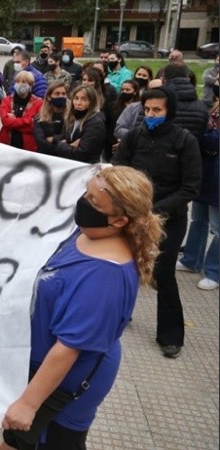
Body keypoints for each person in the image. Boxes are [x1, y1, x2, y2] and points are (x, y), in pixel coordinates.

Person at [0, 166, 164, 450]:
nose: (84, 203)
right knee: (21, 437)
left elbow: (68, 349)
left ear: (120, 220)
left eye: (94, 202)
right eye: (86, 194)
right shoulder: (89, 231)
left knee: (58, 442)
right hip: (41, 362)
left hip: (69, 379)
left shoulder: (105, 277)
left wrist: (28, 403)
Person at [112, 87, 202, 359]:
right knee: (124, 268)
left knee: (163, 275)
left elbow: (191, 188)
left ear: (169, 112)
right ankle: (117, 317)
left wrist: (155, 210)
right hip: (133, 214)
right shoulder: (134, 136)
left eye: (157, 111)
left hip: (167, 220)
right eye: (147, 110)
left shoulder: (184, 141)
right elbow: (118, 167)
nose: (150, 115)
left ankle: (171, 336)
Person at [177, 81, 219, 291]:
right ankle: (191, 259)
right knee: (198, 219)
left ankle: (214, 271)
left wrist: (205, 136)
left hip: (217, 174)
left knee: (217, 227)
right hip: (205, 171)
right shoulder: (213, 105)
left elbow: (213, 139)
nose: (216, 82)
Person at [38, 85, 105, 163]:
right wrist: (68, 145)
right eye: (76, 98)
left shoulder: (95, 122)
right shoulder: (73, 118)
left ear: (91, 102)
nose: (78, 103)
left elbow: (81, 153)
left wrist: (61, 145)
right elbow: (64, 138)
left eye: (84, 99)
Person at [0, 71, 44, 151]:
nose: (20, 84)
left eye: (23, 82)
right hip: (6, 144)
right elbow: (5, 121)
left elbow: (34, 127)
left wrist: (13, 122)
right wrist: (28, 121)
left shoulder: (39, 103)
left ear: (31, 85)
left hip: (28, 146)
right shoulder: (7, 100)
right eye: (17, 81)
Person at [33, 81, 69, 155]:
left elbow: (71, 139)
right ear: (49, 97)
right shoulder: (40, 118)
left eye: (63, 94)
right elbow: (41, 143)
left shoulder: (72, 117)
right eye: (57, 93)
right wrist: (62, 144)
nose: (61, 96)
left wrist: (54, 139)